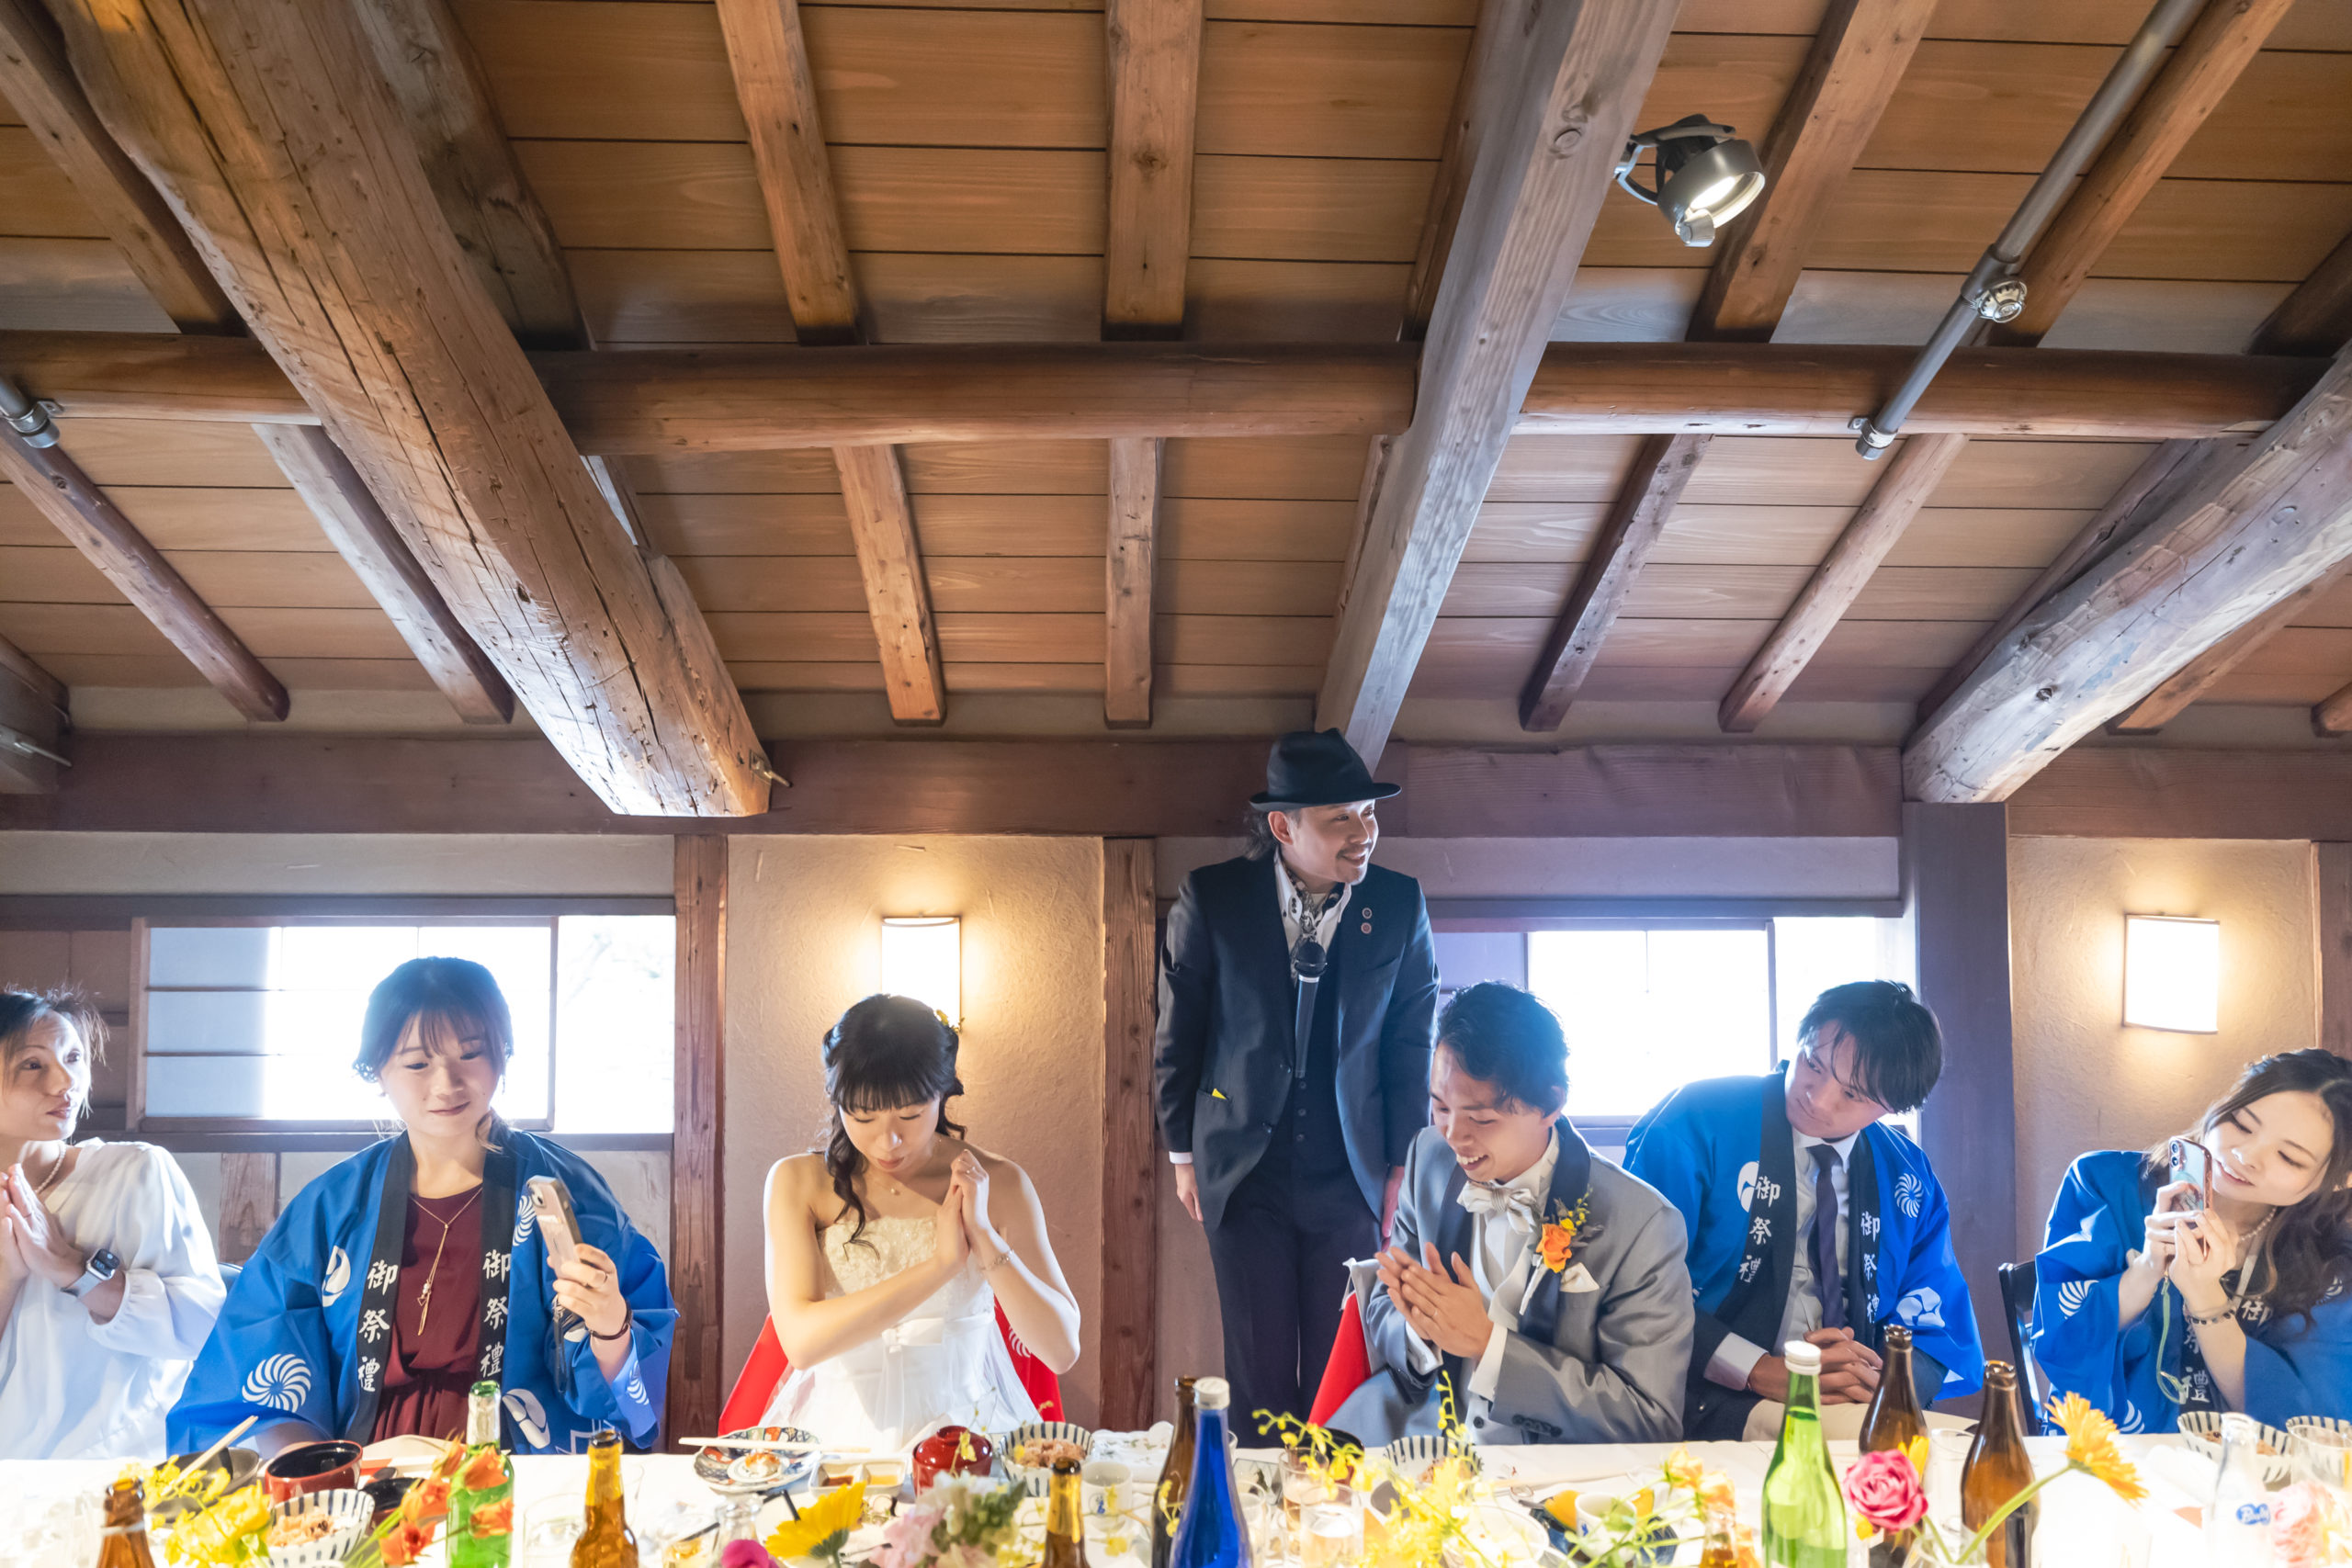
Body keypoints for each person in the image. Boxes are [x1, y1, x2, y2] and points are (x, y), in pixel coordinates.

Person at [171, 958, 674, 1456]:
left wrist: (612, 1325)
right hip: (367, 1472)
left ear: (502, 1055)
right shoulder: (332, 1205)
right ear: (377, 1070)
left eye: (471, 1054)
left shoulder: (569, 1192)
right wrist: (317, 1476)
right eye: (417, 1064)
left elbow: (629, 1400)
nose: (446, 1084)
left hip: (520, 1473)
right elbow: (261, 1366)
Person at [1155, 728, 1439, 1427]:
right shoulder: (1213, 897)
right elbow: (1179, 1030)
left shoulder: (1398, 904)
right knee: (1259, 1372)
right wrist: (1183, 1153)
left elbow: (1411, 1041)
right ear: (1283, 827)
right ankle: (1258, 1492)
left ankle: (1331, 1495)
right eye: (1342, 817)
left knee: (1341, 1371)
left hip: (1351, 1171)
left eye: (1368, 813)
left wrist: (1401, 1162)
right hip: (1241, 1171)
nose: (1363, 833)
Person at [1333, 983, 1691, 1445]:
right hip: (1419, 1440)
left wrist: (1488, 1345)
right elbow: (1384, 1304)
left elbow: (1648, 1416)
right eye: (1440, 1106)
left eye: (1481, 1119)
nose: (1454, 1135)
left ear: (1551, 1105)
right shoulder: (1428, 1158)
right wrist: (1422, 1330)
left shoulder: (1642, 1224)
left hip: (1555, 1466)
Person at [1624, 980, 1983, 1440]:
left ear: (1891, 1107)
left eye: (1852, 1094)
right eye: (1813, 1063)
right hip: (1706, 1393)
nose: (1817, 1096)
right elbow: (1635, 1289)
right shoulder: (1695, 1123)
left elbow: (1934, 1313)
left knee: (1977, 1443)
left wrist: (1886, 1383)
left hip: (1852, 1401)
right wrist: (1759, 1370)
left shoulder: (1906, 1174)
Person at [761, 994, 1080, 1451]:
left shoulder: (998, 1182)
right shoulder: (797, 1182)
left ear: (942, 1093)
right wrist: (941, 1267)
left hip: (969, 1438)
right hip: (840, 1441)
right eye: (863, 1117)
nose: (887, 1141)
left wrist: (982, 1236)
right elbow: (801, 1344)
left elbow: (1061, 1350)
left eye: (909, 1115)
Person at [2031, 1049, 2352, 1432]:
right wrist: (2147, 1270)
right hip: (2107, 1454)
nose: (2245, 1155)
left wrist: (2205, 1295)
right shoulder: (2103, 1184)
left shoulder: (2332, 1260)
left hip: (2244, 1465)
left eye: (2288, 1157)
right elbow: (2064, 1346)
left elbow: (2305, 1423)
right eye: (2242, 1124)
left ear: (2338, 1180)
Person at [0, 989, 223, 1460]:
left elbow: (205, 1327)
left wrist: (72, 1270)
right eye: (33, 1064)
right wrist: (7, 1280)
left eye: (73, 1058)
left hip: (127, 1461)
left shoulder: (134, 1172)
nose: (66, 1081)